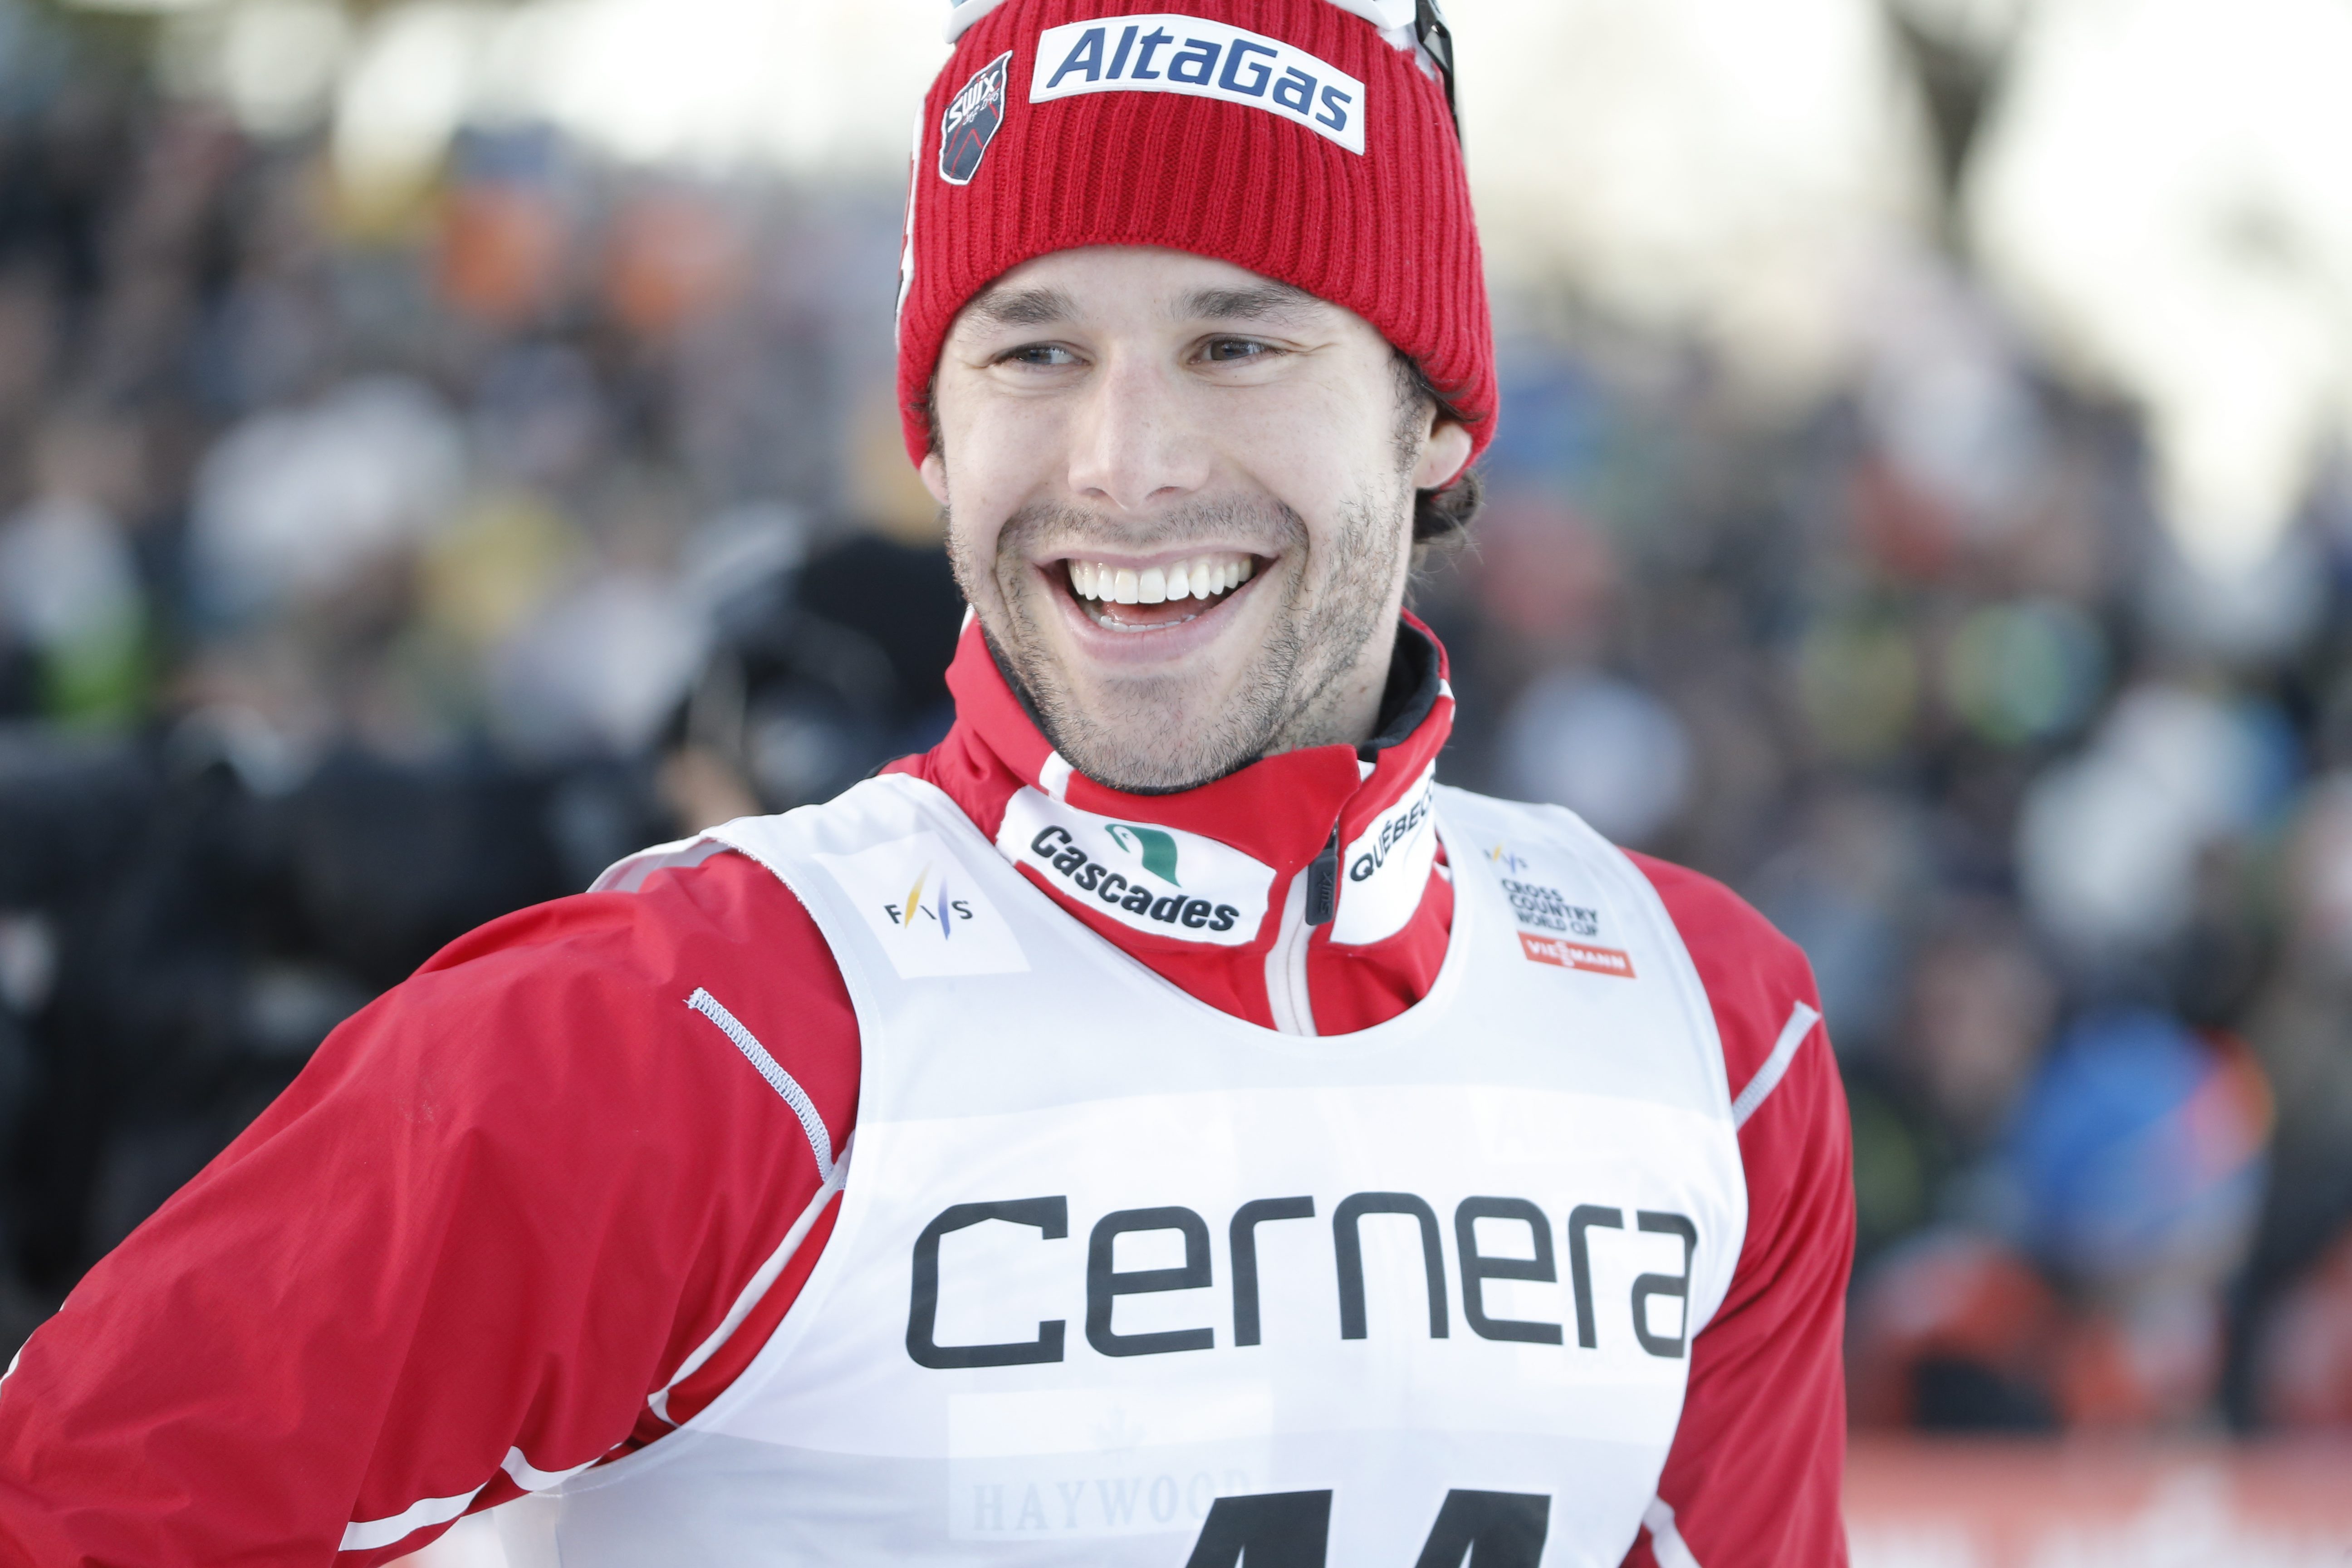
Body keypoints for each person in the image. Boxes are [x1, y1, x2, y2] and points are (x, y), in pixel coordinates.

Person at [0, 1, 1853, 1562]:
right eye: (1035, 350)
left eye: (1239, 341)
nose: (1126, 464)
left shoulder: (1710, 1034)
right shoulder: (695, 1026)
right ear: (936, 425)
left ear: (1436, 409)